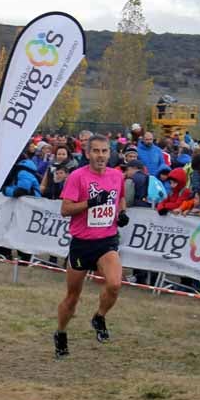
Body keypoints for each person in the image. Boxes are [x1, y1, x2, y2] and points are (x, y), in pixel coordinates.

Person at [54, 134, 129, 359]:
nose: (100, 155)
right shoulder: (77, 176)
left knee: (115, 284)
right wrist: (91, 203)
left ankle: (99, 316)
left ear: (110, 153)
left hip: (107, 240)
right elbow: (65, 210)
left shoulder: (117, 176)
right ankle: (61, 332)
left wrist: (122, 213)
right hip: (82, 243)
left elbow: (120, 198)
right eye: (96, 151)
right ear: (87, 153)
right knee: (72, 297)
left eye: (104, 151)